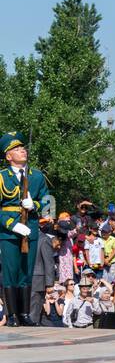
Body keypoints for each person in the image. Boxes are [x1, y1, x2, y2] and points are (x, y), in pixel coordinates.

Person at [0, 133, 51, 326]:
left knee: (26, 272)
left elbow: (49, 203)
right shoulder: (2, 177)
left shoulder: (36, 176)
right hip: (9, 232)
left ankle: (24, 314)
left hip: (30, 228)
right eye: (16, 149)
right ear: (8, 157)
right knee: (11, 272)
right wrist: (12, 224)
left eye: (23, 148)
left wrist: (35, 205)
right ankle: (11, 315)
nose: (22, 150)